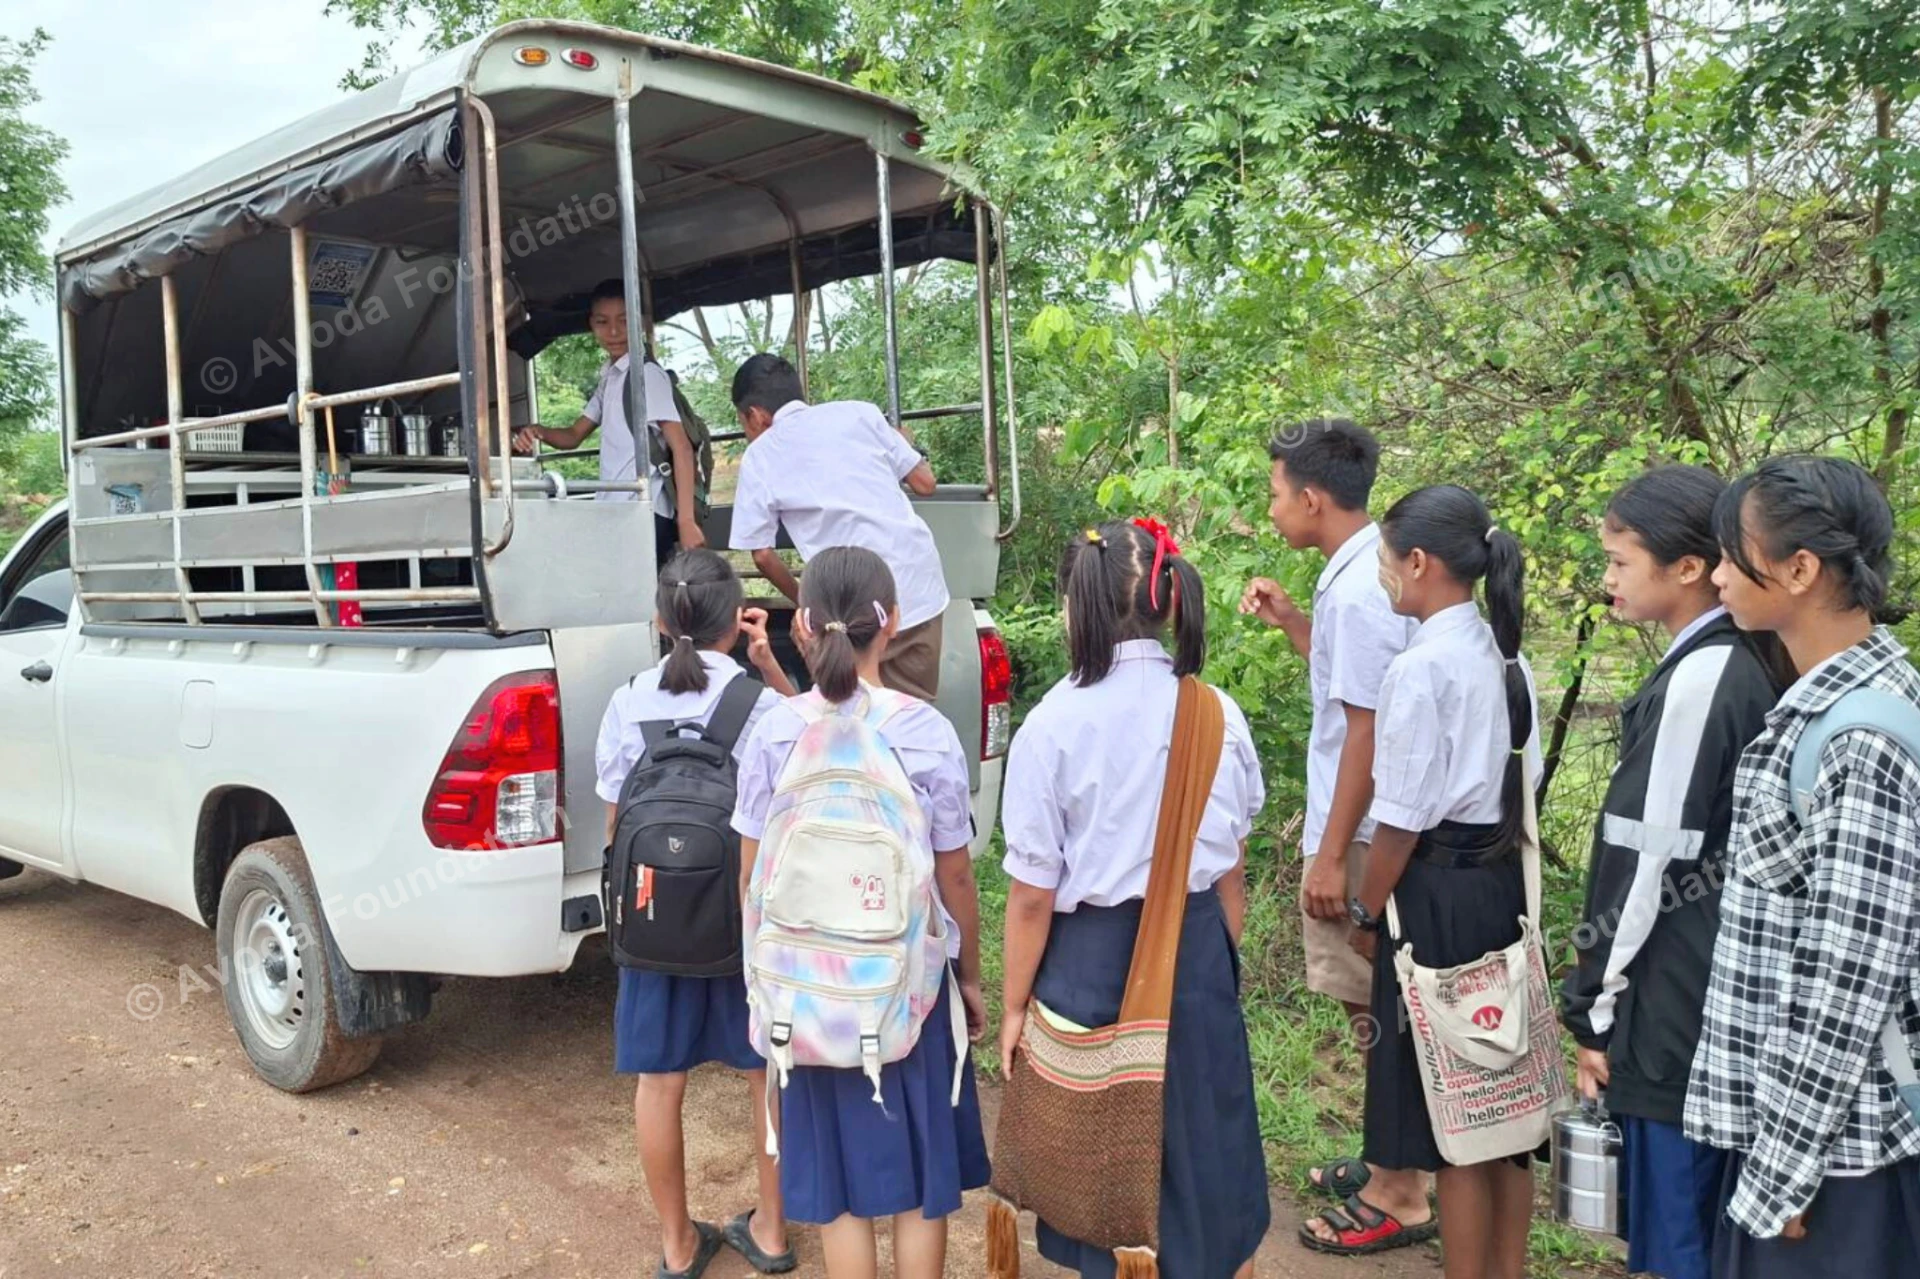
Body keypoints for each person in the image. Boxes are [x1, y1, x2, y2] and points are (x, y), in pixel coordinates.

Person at [1001, 518, 1270, 1279]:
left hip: (1091, 965)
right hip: (1195, 955)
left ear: (1074, 608)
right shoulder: (1217, 713)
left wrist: (1016, 1007)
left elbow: (1030, 897)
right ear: (1165, 600)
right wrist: (1213, 963)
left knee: (1105, 1173)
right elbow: (1232, 870)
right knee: (1205, 1157)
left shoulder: (1052, 724)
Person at [1684, 455, 1920, 1275]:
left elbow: (1846, 978)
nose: (1716, 574)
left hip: (1840, 1161)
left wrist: (1783, 1171)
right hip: (1812, 1147)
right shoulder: (1837, 703)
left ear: (1799, 569)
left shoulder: (1862, 737)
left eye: (1728, 553)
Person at [731, 546, 989, 1279]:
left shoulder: (775, 732)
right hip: (907, 990)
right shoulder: (925, 730)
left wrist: (764, 980)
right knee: (918, 1189)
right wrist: (969, 978)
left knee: (841, 1193)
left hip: (807, 999)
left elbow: (752, 876)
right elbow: (956, 874)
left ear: (802, 625)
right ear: (894, 622)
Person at [1557, 466, 1783, 1279]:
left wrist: (1594, 1005)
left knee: (1679, 1233)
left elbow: (1646, 858)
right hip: (1708, 991)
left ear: (1689, 567)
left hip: (1675, 1006)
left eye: (1620, 560)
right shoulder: (1743, 659)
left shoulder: (1702, 677)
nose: (1608, 578)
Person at [1342, 485, 1544, 1279]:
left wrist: (1368, 907)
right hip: (1498, 888)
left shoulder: (1421, 667)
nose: (1386, 576)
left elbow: (1398, 820)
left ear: (1419, 563)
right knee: (1507, 1106)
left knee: (1454, 1115)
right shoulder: (1504, 651)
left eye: (1388, 561)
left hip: (1436, 895)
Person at [1239, 419, 1428, 1254]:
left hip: (1362, 830)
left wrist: (1329, 851)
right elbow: (1351, 682)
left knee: (1374, 1000)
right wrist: (1289, 620)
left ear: (1312, 498)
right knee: (1373, 1000)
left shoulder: (1358, 589)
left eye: (1276, 494)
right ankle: (1391, 1153)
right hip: (1371, 821)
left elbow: (1366, 727)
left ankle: (1401, 1186)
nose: (1272, 508)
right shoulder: (1363, 572)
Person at [595, 548, 799, 1279]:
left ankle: (680, 1244)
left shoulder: (628, 701)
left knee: (660, 1080)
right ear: (735, 618)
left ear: (659, 620)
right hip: (746, 923)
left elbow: (617, 828)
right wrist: (767, 661)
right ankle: (772, 1231)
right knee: (764, 1074)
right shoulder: (765, 706)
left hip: (654, 923)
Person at [727, 353, 949, 701]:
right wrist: (904, 443)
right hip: (919, 586)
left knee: (849, 727)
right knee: (913, 719)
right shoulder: (860, 412)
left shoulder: (761, 455)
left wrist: (806, 603)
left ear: (755, 416)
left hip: (850, 607)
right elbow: (925, 483)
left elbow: (763, 556)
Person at [513, 279, 704, 567]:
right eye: (603, 322)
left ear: (639, 322)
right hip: (618, 508)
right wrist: (537, 430)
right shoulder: (611, 377)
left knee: (644, 601)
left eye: (624, 321)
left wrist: (687, 521)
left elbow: (682, 448)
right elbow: (574, 435)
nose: (613, 332)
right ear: (591, 324)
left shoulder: (647, 375)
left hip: (646, 508)